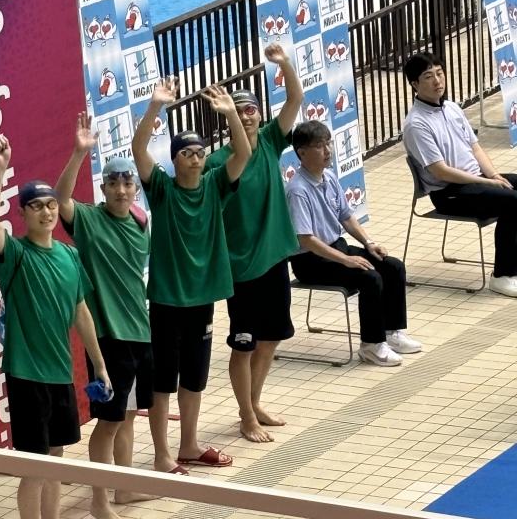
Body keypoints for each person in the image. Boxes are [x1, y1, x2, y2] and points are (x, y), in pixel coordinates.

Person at [0, 135, 111, 519]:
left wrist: (99, 363)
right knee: (34, 465)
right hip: (27, 374)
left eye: (52, 205)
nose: (47, 212)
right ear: (23, 214)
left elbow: (81, 311)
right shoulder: (14, 254)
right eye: (36, 206)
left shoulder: (70, 256)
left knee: (55, 457)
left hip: (59, 373)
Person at [132, 77, 251, 474]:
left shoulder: (215, 186)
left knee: (195, 378)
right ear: (175, 160)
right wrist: (155, 106)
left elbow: (243, 153)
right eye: (187, 153)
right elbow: (138, 150)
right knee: (162, 381)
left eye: (200, 153)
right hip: (167, 301)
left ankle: (189, 445)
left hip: (202, 299)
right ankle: (162, 455)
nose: (197, 158)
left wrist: (231, 114)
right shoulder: (162, 191)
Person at [55, 115, 157, 519]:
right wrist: (79, 153)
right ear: (103, 189)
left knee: (128, 416)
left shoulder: (141, 221)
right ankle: (99, 502)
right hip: (109, 337)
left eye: (127, 182)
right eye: (113, 183)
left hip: (140, 330)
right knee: (109, 421)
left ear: (135, 188)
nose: (120, 189)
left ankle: (124, 487)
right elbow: (60, 199)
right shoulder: (88, 220)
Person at [204, 43, 303, 443]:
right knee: (244, 345)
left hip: (274, 257)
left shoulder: (269, 141)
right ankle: (245, 415)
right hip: (242, 267)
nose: (247, 115)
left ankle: (254, 402)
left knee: (271, 337)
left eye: (251, 110)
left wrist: (284, 64)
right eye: (239, 110)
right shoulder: (218, 163)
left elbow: (295, 99)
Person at [285, 120, 421, 366]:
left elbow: (346, 217)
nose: (328, 150)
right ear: (302, 153)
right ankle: (371, 345)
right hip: (310, 261)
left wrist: (369, 243)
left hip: (336, 247)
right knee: (370, 277)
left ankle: (391, 332)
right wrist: (346, 260)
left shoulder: (329, 177)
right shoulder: (297, 190)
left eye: (328, 143)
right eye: (319, 146)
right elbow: (306, 239)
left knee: (392, 266)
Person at [403, 51, 517, 297]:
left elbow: (475, 148)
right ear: (414, 84)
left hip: (476, 181)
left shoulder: (452, 108)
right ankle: (502, 276)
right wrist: (487, 182)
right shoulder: (416, 124)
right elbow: (440, 171)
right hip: (449, 193)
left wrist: (494, 175)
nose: (437, 81)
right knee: (512, 202)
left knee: (511, 187)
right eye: (428, 77)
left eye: (439, 73)